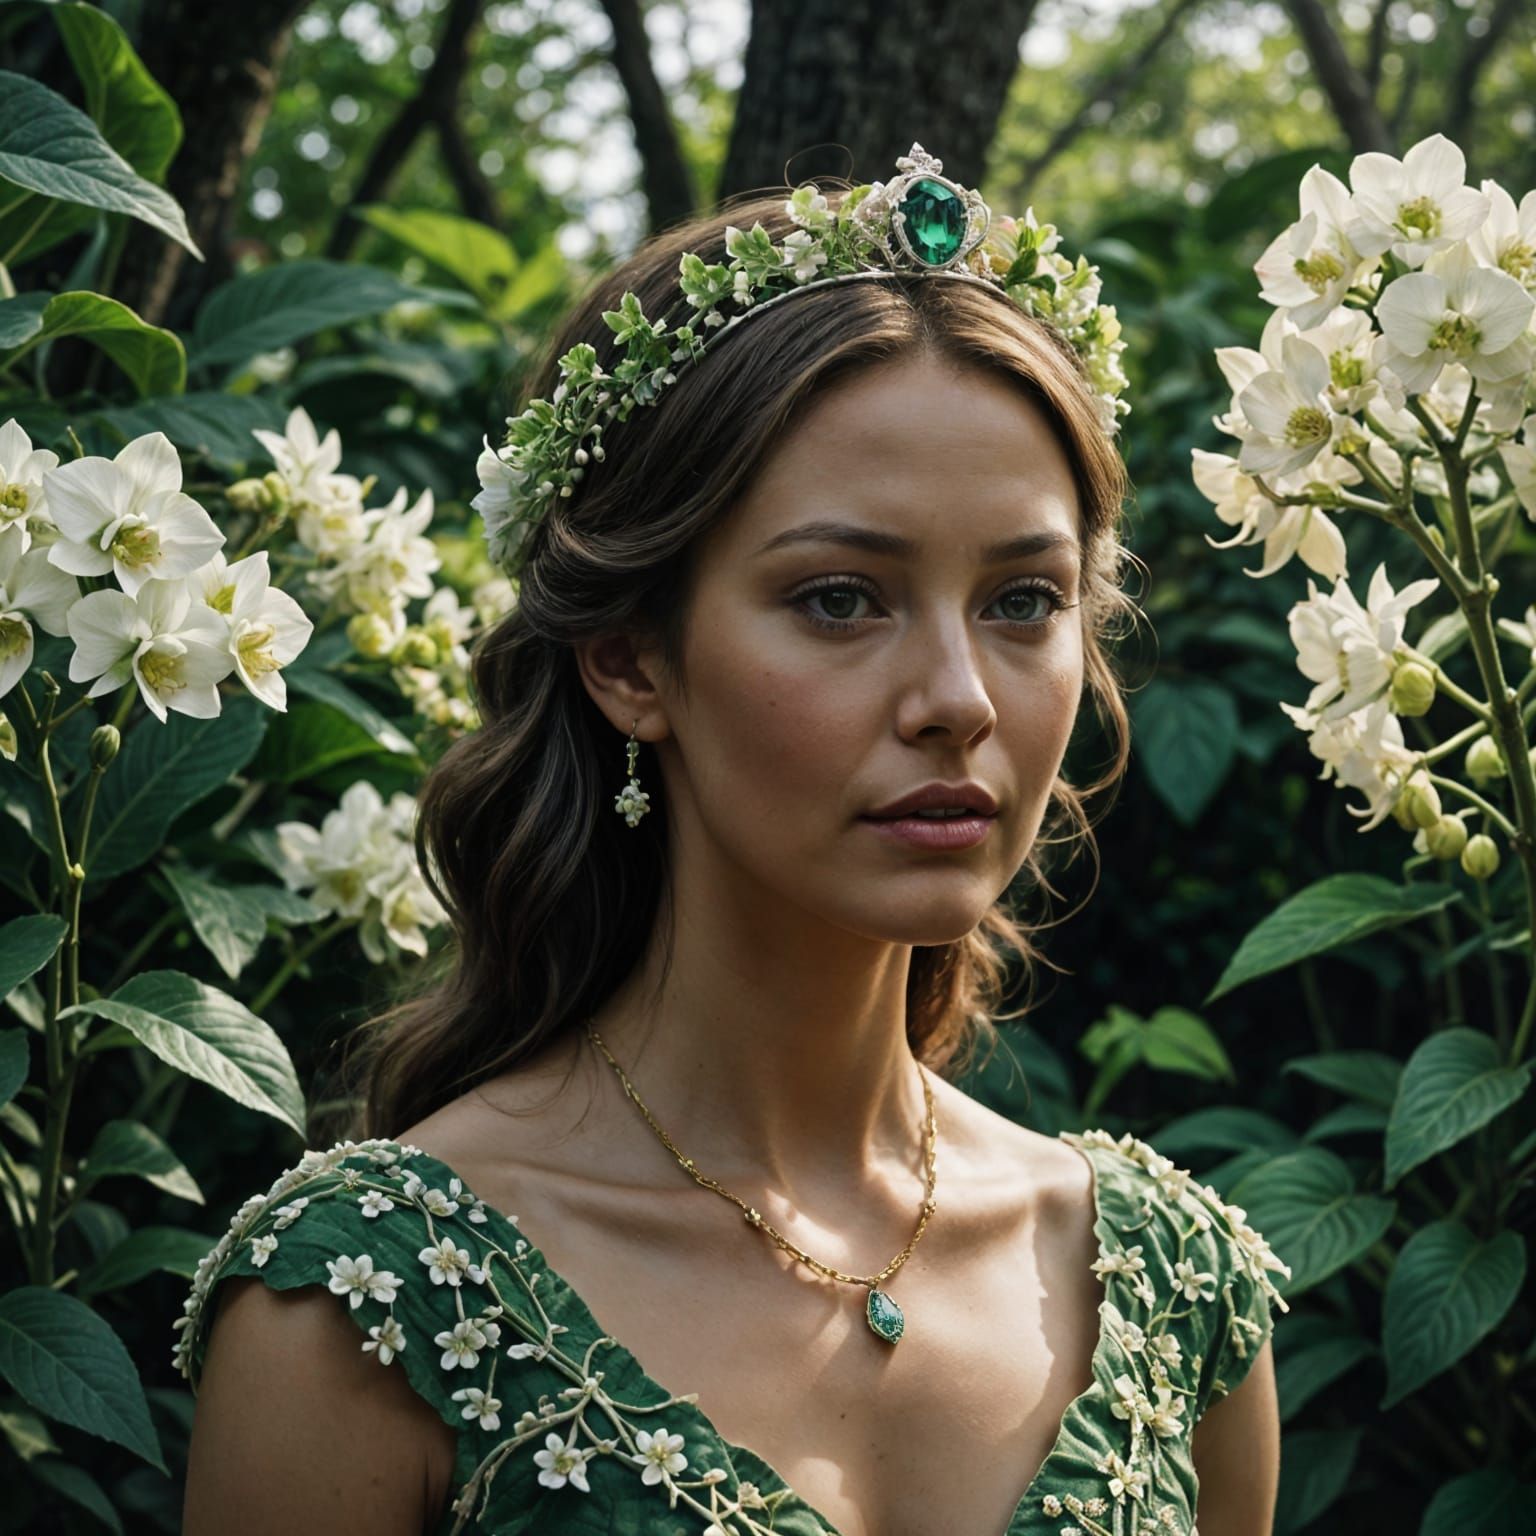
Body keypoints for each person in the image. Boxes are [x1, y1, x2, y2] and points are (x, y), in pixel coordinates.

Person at [180, 147, 1289, 1536]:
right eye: (840, 599)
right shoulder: (366, 1309)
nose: (959, 699)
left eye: (1023, 601)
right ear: (628, 657)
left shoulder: (1174, 1298)